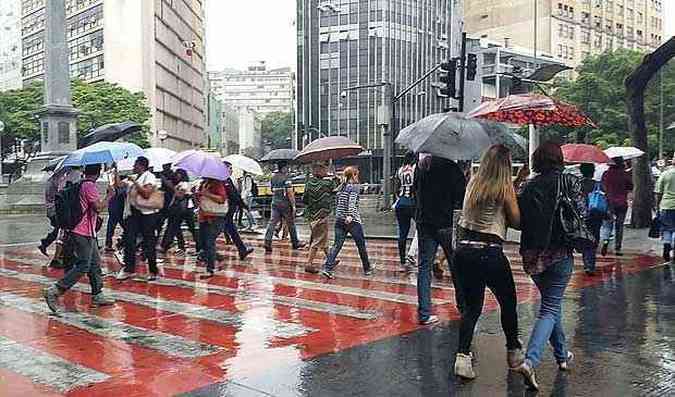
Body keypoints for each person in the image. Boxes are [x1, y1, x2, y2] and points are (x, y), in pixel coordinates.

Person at [515, 142, 584, 391]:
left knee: (550, 305)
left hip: (532, 256)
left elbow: (519, 220)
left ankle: (562, 355)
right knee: (550, 307)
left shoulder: (529, 186)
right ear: (559, 159)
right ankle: (531, 361)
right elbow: (580, 215)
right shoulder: (570, 182)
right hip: (559, 253)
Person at [453, 145, 524, 379]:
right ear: (505, 165)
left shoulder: (473, 182)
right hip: (489, 251)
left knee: (472, 308)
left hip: (464, 253)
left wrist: (516, 183)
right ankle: (513, 350)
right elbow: (516, 221)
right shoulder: (504, 188)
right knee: (508, 302)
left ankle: (462, 358)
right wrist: (516, 190)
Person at [43, 164, 115, 313]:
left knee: (95, 263)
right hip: (83, 232)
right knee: (84, 265)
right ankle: (56, 290)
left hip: (87, 232)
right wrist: (109, 196)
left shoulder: (81, 184)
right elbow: (98, 207)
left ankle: (98, 294)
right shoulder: (89, 186)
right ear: (99, 172)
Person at [415, 154, 466, 325]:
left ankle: (424, 313)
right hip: (446, 224)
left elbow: (416, 193)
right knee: (456, 266)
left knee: (424, 267)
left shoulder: (422, 167)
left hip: (425, 223)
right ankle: (463, 306)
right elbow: (461, 198)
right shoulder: (452, 168)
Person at [321, 166, 372, 279]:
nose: (358, 177)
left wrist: (340, 216)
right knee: (361, 245)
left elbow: (337, 204)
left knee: (337, 245)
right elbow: (352, 202)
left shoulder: (341, 187)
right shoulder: (354, 187)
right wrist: (349, 214)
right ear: (353, 175)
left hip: (339, 220)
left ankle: (327, 268)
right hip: (352, 221)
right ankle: (367, 268)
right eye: (356, 174)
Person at [116, 156, 161, 281]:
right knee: (129, 239)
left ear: (141, 165)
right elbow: (118, 185)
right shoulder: (134, 177)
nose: (133, 167)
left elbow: (146, 193)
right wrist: (115, 170)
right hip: (133, 214)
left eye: (135, 164)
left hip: (147, 214)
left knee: (149, 242)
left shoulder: (149, 177)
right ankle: (129, 269)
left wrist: (135, 183)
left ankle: (153, 271)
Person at [303, 162, 338, 273]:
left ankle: (331, 259)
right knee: (317, 240)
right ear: (320, 171)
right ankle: (309, 263)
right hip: (322, 216)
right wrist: (336, 178)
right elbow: (336, 190)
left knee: (323, 238)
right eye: (324, 169)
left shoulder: (308, 184)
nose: (326, 171)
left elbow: (304, 199)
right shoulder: (327, 184)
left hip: (311, 215)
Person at [263, 162, 304, 253]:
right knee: (291, 224)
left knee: (272, 222)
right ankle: (295, 242)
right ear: (284, 168)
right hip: (285, 204)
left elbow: (271, 190)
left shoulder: (273, 178)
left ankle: (267, 241)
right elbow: (289, 192)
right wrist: (293, 205)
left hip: (275, 203)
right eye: (287, 167)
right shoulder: (287, 178)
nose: (288, 169)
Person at [160, 169, 199, 255]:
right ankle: (167, 245)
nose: (177, 175)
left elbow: (180, 195)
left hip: (185, 209)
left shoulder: (184, 184)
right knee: (174, 227)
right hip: (182, 209)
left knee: (186, 227)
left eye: (179, 174)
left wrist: (173, 188)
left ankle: (199, 246)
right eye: (176, 174)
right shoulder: (180, 184)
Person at [600, 156, 633, 256]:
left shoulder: (606, 174)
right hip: (622, 203)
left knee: (607, 224)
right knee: (619, 226)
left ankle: (605, 241)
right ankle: (618, 248)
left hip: (608, 203)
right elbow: (630, 186)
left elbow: (602, 187)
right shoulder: (624, 174)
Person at [221, 161, 254, 261]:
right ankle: (204, 252)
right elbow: (232, 194)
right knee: (216, 230)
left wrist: (242, 204)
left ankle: (242, 250)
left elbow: (235, 194)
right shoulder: (223, 180)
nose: (231, 170)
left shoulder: (227, 180)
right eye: (229, 168)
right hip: (224, 209)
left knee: (231, 229)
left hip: (228, 209)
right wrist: (242, 204)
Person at [196, 177, 227, 278]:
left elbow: (222, 199)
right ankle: (219, 258)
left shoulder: (217, 184)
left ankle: (210, 269)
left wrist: (206, 194)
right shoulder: (203, 183)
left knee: (209, 242)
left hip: (215, 218)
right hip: (204, 217)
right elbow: (200, 200)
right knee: (204, 243)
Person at [580, 163, 604, 274]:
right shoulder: (597, 184)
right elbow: (605, 197)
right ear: (593, 172)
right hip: (595, 214)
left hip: (581, 215)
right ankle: (590, 264)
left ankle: (587, 263)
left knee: (585, 238)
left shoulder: (577, 184)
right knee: (594, 238)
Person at [395, 152, 417, 273]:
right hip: (412, 202)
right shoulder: (414, 169)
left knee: (402, 232)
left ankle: (402, 261)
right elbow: (416, 186)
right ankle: (413, 253)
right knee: (421, 228)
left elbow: (397, 187)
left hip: (400, 203)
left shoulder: (400, 170)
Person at [655, 153, 675, 263]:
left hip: (666, 205)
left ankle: (667, 245)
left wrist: (657, 206)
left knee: (667, 228)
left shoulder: (665, 174)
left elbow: (658, 192)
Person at [104, 167, 127, 252]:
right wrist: (116, 171)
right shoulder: (119, 188)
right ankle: (111, 244)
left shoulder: (112, 187)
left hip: (116, 211)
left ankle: (113, 243)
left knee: (111, 228)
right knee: (126, 228)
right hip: (117, 211)